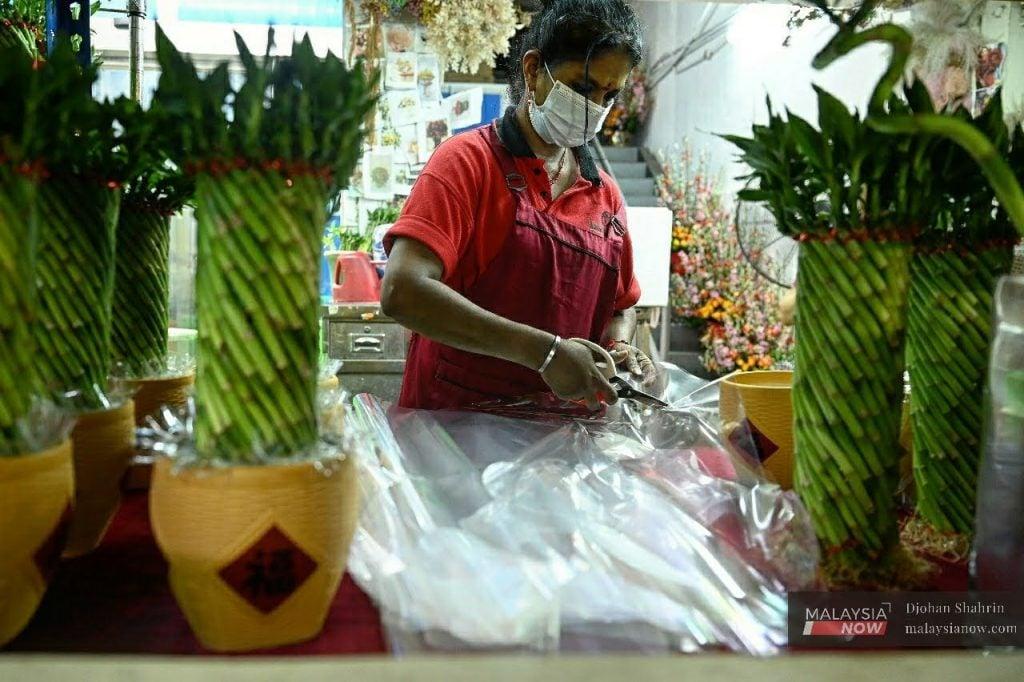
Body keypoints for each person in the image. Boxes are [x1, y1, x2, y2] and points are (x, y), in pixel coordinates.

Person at [381, 0, 654, 411]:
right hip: (453, 435)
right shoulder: (466, 162)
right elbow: (403, 291)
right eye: (581, 88)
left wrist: (618, 346)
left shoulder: (606, 197)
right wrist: (545, 353)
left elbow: (620, 307)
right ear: (532, 71)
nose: (594, 107)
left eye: (609, 94)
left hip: (554, 448)